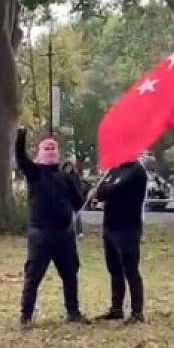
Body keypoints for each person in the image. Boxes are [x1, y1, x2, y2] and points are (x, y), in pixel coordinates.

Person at [16, 128, 88, 329]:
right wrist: (21, 135)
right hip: (41, 234)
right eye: (46, 147)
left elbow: (78, 203)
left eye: (53, 147)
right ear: (39, 153)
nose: (49, 150)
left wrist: (87, 190)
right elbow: (20, 156)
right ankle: (26, 316)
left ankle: (73, 312)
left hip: (64, 234)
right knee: (33, 276)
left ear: (58, 152)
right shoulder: (34, 172)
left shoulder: (65, 177)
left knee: (70, 275)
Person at [93, 159, 147, 323]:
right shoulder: (114, 168)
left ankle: (137, 312)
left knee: (130, 270)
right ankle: (116, 309)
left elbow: (115, 190)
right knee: (114, 269)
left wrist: (106, 188)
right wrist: (103, 187)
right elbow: (100, 194)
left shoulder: (136, 170)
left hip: (127, 228)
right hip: (110, 226)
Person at [62, 161, 85, 237]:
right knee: (68, 215)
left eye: (70, 167)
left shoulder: (75, 175)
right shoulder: (61, 176)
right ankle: (69, 230)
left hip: (75, 198)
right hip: (66, 198)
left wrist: (80, 196)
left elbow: (79, 186)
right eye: (67, 167)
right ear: (64, 167)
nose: (68, 168)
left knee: (77, 215)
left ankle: (79, 231)